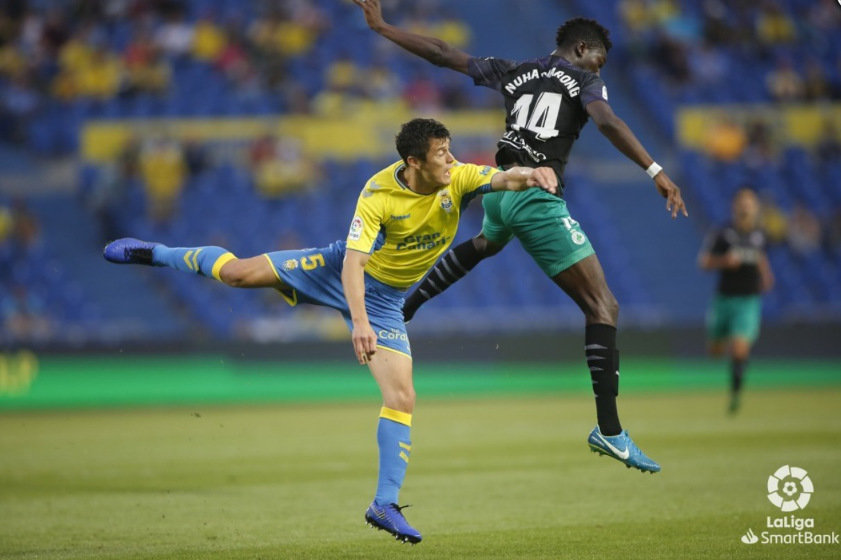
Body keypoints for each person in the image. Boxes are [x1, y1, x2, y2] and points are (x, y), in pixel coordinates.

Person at [103, 118, 558, 544]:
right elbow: (353, 265)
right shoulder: (377, 195)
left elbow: (503, 178)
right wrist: (358, 324)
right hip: (335, 269)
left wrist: (533, 174)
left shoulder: (456, 176)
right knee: (238, 274)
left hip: (385, 301)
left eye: (449, 150)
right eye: (440, 153)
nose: (450, 159)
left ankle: (383, 505)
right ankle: (157, 252)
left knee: (402, 398)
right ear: (413, 162)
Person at [355, 1, 689, 472]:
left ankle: (402, 311)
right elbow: (609, 121)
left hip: (499, 187)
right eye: (599, 60)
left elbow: (441, 53)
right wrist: (655, 170)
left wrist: (383, 26)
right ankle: (610, 431)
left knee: (487, 243)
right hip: (533, 192)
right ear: (581, 49)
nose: (601, 72)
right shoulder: (584, 80)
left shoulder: (515, 71)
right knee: (603, 307)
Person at [698, 188, 774, 413]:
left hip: (748, 301)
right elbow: (704, 262)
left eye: (750, 202)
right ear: (735, 205)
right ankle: (725, 358)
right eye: (742, 201)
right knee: (716, 351)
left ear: (756, 206)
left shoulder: (760, 234)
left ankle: (735, 396)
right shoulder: (723, 233)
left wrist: (767, 275)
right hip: (724, 300)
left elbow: (760, 257)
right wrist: (724, 261)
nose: (746, 206)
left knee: (740, 347)